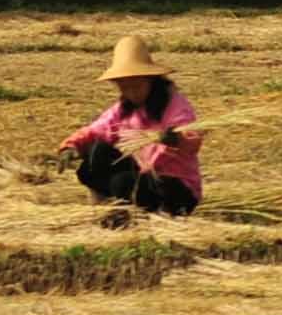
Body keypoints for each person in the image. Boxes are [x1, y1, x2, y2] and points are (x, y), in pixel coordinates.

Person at [55, 37, 203, 215]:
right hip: (142, 175)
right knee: (94, 159)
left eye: (137, 86)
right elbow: (98, 129)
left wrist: (176, 139)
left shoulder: (175, 105)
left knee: (122, 182)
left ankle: (148, 212)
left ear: (151, 80)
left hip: (174, 185)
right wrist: (72, 146)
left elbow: (192, 137)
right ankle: (110, 207)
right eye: (125, 88)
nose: (132, 93)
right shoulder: (124, 109)